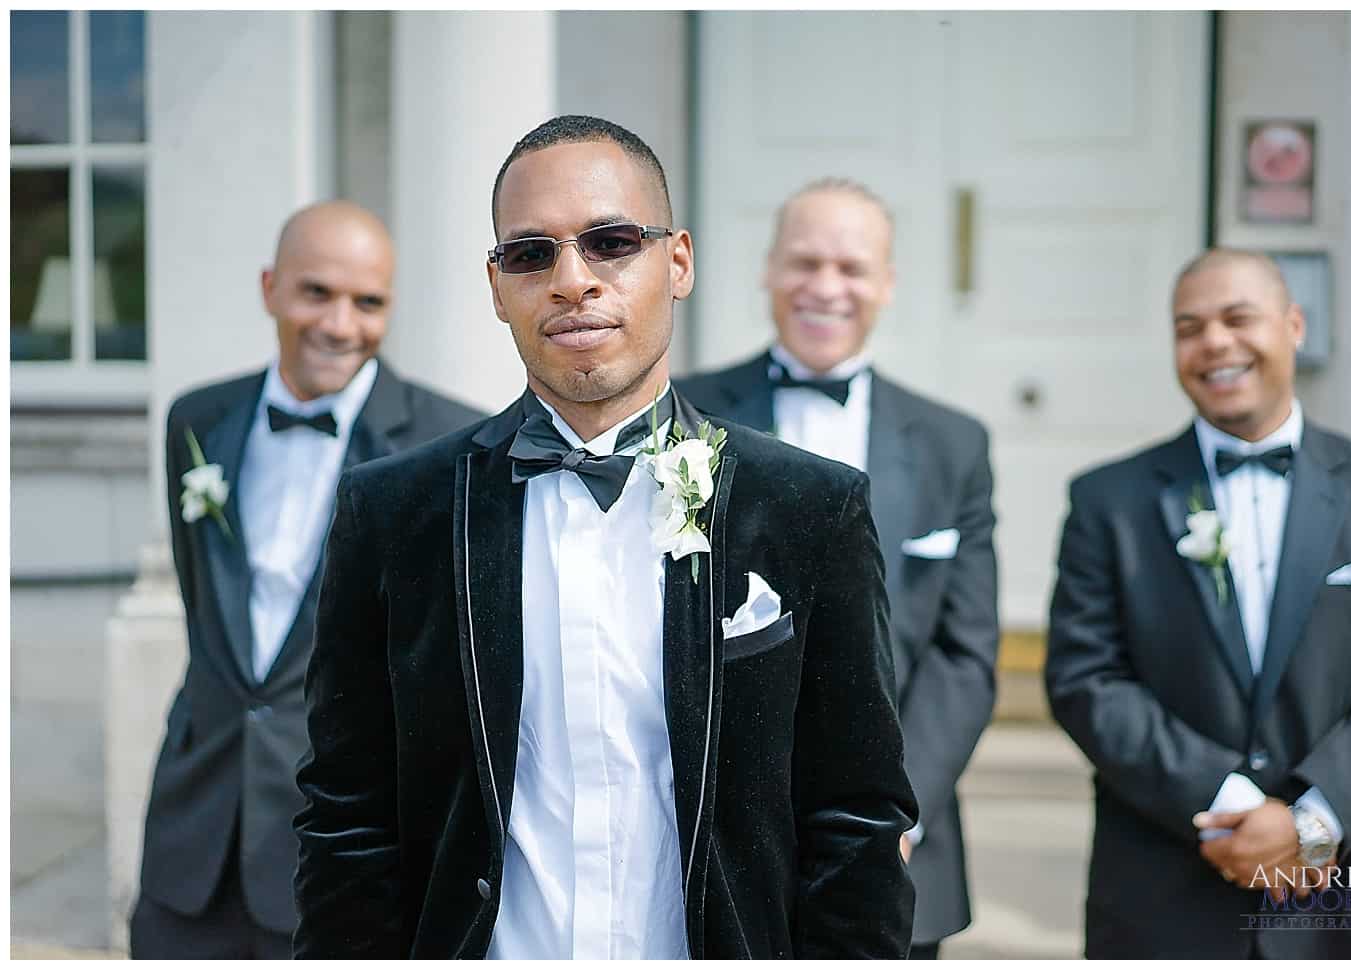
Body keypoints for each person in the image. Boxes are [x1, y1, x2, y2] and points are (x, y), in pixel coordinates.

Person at [291, 116, 918, 959]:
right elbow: (349, 815)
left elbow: (857, 825)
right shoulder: (392, 512)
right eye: (531, 254)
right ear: (496, 284)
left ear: (679, 261)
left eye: (611, 241)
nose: (571, 280)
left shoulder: (811, 508)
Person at [1045, 248, 1351, 958]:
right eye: (1189, 327)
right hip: (1163, 877)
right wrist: (1228, 804)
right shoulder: (1109, 501)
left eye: (1237, 318)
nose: (1213, 342)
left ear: (1293, 325)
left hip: (1335, 878)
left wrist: (1312, 822)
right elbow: (1083, 677)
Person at [131, 201, 483, 958]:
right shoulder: (197, 419)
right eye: (316, 292)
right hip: (192, 830)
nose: (340, 324)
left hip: (347, 845)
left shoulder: (450, 444)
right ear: (269, 289)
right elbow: (207, 607)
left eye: (369, 302)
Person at [677, 178, 998, 958]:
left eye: (852, 268)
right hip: (719, 839)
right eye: (805, 262)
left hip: (902, 845)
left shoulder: (954, 444)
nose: (826, 287)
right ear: (767, 270)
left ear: (886, 284)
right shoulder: (683, 414)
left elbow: (965, 655)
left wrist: (894, 809)